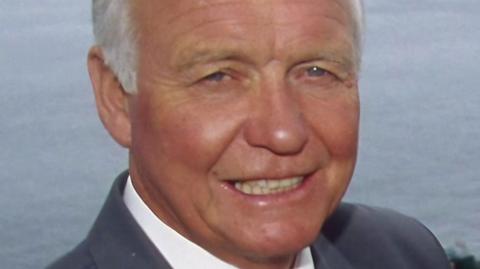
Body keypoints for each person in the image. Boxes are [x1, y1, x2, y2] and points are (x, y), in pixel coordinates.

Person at [47, 0, 451, 268]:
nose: (282, 132)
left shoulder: (403, 254)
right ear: (116, 97)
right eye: (218, 77)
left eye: (316, 71)